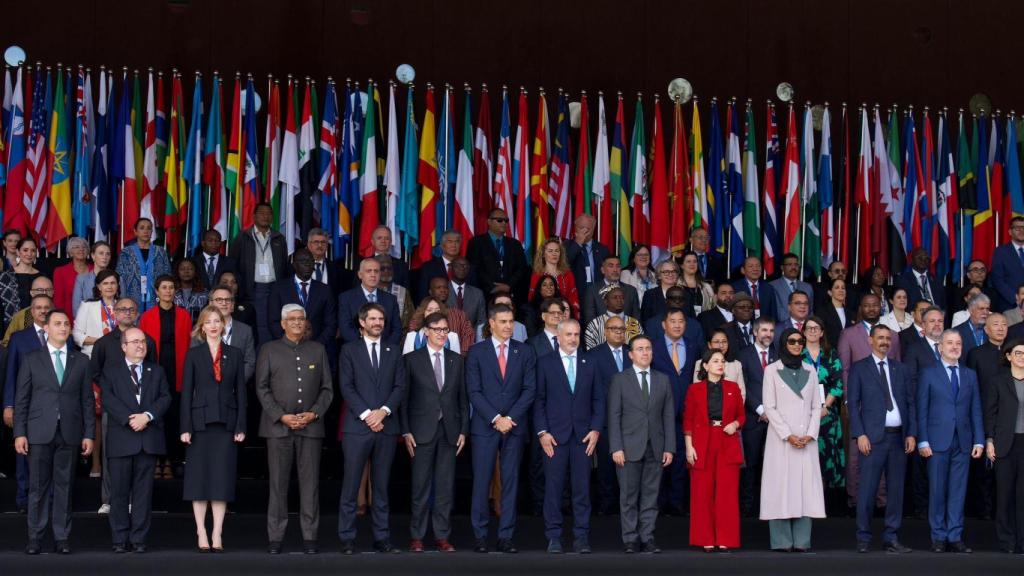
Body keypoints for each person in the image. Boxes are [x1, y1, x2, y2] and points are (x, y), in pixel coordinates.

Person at [14, 309, 94, 555]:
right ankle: (35, 538)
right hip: (38, 431)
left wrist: (89, 433)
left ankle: (61, 537)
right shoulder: (31, 359)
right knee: (37, 487)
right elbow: (22, 400)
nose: (63, 327)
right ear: (46, 328)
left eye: (66, 324)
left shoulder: (80, 361)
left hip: (69, 432)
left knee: (64, 486)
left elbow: (87, 401)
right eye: (57, 323)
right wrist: (20, 432)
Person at [256, 303, 334, 555]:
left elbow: (327, 388)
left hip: (311, 428)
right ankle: (275, 537)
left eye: (301, 319)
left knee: (310, 485)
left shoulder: (318, 349)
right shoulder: (269, 350)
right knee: (278, 485)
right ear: (282, 323)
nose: (298, 323)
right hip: (278, 428)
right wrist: (282, 416)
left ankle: (310, 537)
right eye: (292, 319)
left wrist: (313, 413)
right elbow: (262, 388)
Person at [466, 304, 536, 554]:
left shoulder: (524, 351)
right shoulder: (476, 352)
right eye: (503, 321)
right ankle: (480, 536)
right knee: (482, 481)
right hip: (486, 426)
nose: (508, 326)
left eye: (511, 321)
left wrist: (510, 418)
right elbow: (474, 391)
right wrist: (496, 418)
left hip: (514, 427)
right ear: (491, 324)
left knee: (510, 481)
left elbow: (529, 390)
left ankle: (506, 535)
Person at [337, 303, 406, 554]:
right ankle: (346, 537)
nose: (378, 323)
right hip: (358, 427)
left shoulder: (394, 350)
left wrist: (383, 412)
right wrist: (368, 415)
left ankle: (382, 537)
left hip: (386, 427)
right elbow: (346, 386)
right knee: (351, 484)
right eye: (373, 318)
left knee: (381, 486)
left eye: (381, 319)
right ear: (362, 322)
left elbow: (399, 387)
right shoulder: (349, 350)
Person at [180, 305, 248, 553]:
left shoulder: (235, 353)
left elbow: (241, 392)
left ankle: (217, 532)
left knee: (221, 481)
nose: (213, 325)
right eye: (208, 321)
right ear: (202, 326)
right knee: (199, 481)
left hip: (226, 424)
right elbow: (187, 392)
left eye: (217, 321)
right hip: (199, 425)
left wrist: (241, 424)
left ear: (223, 324)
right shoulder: (194, 354)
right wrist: (185, 426)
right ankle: (201, 530)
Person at [534, 319, 604, 554]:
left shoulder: (590, 362)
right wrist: (542, 432)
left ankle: (581, 536)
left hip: (583, 437)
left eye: (576, 334)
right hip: (554, 437)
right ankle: (553, 536)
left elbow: (598, 399)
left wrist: (595, 429)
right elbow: (539, 401)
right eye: (568, 335)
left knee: (582, 488)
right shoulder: (545, 363)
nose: (573, 339)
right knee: (553, 488)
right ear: (559, 337)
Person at [101, 327, 171, 553]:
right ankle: (119, 540)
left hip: (147, 439)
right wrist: (129, 419)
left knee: (143, 494)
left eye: (143, 341)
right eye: (134, 342)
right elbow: (108, 399)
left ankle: (139, 539)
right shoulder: (110, 371)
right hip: (122, 439)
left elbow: (165, 397)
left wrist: (147, 416)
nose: (140, 345)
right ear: (123, 346)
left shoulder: (156, 371)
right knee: (119, 494)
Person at [401, 312, 467, 553]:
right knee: (420, 486)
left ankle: (442, 536)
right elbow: (404, 400)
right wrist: (406, 430)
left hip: (449, 431)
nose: (442, 333)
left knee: (445, 486)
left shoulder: (456, 359)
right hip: (420, 432)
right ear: (426, 331)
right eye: (437, 329)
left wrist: (463, 431)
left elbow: (462, 398)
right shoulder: (411, 359)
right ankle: (417, 536)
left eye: (445, 329)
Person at [847, 324, 916, 554]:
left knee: (896, 491)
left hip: (898, 439)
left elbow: (909, 403)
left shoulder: (901, 368)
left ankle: (891, 538)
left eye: (888, 338)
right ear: (870, 340)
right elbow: (853, 406)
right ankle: (863, 538)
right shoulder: (859, 368)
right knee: (867, 491)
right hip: (873, 439)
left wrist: (911, 434)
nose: (885, 342)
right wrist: (860, 434)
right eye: (880, 338)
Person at [917, 329, 985, 553]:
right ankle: (938, 536)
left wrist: (979, 441)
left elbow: (976, 409)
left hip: (963, 441)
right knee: (937, 490)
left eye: (958, 343)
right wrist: (923, 441)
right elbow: (922, 410)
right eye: (950, 343)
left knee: (958, 491)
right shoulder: (928, 373)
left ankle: (955, 535)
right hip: (937, 441)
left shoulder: (969, 374)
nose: (954, 347)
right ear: (940, 347)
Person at [607, 334, 675, 554]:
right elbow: (613, 416)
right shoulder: (620, 379)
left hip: (655, 446)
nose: (645, 352)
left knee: (650, 496)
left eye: (648, 348)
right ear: (631, 354)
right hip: (627, 447)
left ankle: (647, 537)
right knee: (628, 496)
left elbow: (668, 416)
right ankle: (630, 539)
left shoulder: (662, 379)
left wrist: (669, 447)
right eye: (640, 349)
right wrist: (616, 447)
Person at [760, 327, 825, 552]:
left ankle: (802, 541)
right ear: (783, 344)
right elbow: (769, 406)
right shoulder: (771, 370)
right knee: (780, 487)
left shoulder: (810, 370)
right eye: (792, 341)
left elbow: (817, 405)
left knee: (804, 488)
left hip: (806, 439)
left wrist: (810, 433)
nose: (797, 345)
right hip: (781, 439)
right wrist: (788, 435)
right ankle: (781, 542)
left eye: (800, 341)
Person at [90, 298, 157, 515]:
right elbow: (95, 373)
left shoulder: (148, 341)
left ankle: (134, 501)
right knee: (112, 456)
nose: (127, 313)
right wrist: (113, 394)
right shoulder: (103, 343)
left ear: (138, 313)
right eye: (122, 309)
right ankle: (108, 500)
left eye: (131, 309)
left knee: (140, 457)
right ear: (114, 312)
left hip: (142, 409)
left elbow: (153, 371)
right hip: (115, 410)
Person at [685, 349, 745, 552]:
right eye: (715, 361)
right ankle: (705, 538)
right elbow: (688, 421)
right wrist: (688, 447)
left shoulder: (733, 387)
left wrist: (735, 424)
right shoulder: (695, 389)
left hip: (727, 440)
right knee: (702, 492)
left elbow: (742, 416)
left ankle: (725, 538)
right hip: (703, 441)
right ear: (705, 366)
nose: (720, 364)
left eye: (723, 361)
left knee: (727, 492)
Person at [4, 294, 54, 514]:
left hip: (53, 405)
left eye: (46, 308)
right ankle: (24, 498)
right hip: (27, 405)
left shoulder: (62, 335)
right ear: (31, 312)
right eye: (39, 308)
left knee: (52, 453)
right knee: (24, 452)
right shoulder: (19, 338)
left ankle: (51, 497)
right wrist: (8, 405)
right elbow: (11, 375)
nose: (43, 311)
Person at [139, 275, 193, 479]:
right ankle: (156, 460)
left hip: (177, 371)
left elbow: (188, 347)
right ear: (157, 291)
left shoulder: (184, 315)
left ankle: (171, 459)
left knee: (174, 416)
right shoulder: (147, 316)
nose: (168, 291)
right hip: (155, 371)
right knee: (155, 417)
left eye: (171, 287)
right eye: (164, 287)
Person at [651, 308, 698, 516]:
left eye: (681, 321)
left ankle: (677, 504)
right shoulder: (653, 347)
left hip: (685, 414)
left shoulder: (693, 345)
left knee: (680, 460)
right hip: (659, 413)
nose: (677, 325)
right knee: (659, 459)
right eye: (673, 321)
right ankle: (658, 504)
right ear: (664, 324)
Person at [586, 315, 631, 515]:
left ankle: (626, 508)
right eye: (614, 329)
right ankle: (605, 507)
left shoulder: (633, 353)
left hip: (631, 421)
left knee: (628, 467)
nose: (618, 332)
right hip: (604, 419)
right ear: (605, 332)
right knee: (605, 467)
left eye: (622, 329)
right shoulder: (594, 355)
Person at [801, 316, 846, 512]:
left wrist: (824, 406)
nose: (812, 331)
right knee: (806, 459)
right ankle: (807, 504)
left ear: (821, 332)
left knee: (827, 457)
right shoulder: (797, 354)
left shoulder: (830, 354)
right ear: (803, 332)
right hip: (802, 415)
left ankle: (828, 505)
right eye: (809, 328)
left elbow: (838, 384)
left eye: (816, 328)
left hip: (827, 414)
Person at [985, 338, 1024, 553]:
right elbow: (990, 413)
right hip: (1005, 444)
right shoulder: (998, 381)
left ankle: (1022, 542)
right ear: (1009, 357)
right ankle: (1006, 541)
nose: (1022, 357)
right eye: (1018, 353)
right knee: (1005, 495)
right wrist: (989, 440)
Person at [230, 202, 289, 345]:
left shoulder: (279, 238)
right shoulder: (242, 237)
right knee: (256, 324)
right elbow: (234, 264)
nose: (265, 216)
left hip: (275, 288)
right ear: (254, 216)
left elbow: (285, 265)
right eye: (262, 213)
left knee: (273, 322)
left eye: (269, 213)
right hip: (252, 289)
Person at [267, 248, 338, 353]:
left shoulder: (325, 290)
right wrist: (289, 343)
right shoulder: (279, 288)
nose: (308, 265)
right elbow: (273, 322)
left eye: (310, 261)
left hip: (317, 349)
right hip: (286, 351)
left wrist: (315, 345)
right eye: (303, 261)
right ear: (294, 265)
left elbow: (331, 324)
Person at [467, 209, 530, 301]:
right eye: (499, 220)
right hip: (484, 296)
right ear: (489, 221)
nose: (504, 223)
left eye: (506, 220)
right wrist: (492, 287)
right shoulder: (476, 242)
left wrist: (509, 285)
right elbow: (475, 268)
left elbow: (522, 268)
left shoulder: (515, 244)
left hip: (511, 295)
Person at [337, 257, 401, 346]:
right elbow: (346, 329)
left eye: (376, 271)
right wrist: (365, 348)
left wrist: (384, 348)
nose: (373, 274)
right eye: (369, 271)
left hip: (385, 352)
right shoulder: (346, 298)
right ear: (360, 274)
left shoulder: (391, 299)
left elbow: (396, 330)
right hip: (357, 352)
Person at [116, 218, 172, 313]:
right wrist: (122, 300)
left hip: (156, 299)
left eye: (149, 228)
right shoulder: (126, 252)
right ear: (135, 231)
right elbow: (120, 277)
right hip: (132, 300)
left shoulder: (161, 252)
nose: (146, 231)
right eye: (142, 228)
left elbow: (167, 275)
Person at [410, 277, 475, 354]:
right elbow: (412, 337)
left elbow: (468, 336)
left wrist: (458, 358)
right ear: (430, 292)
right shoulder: (420, 314)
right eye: (438, 287)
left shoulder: (459, 314)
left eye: (445, 287)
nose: (443, 290)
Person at [581, 254, 640, 328]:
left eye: (618, 266)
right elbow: (590, 320)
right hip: (600, 336)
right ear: (602, 270)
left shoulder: (631, 291)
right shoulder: (592, 291)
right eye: (611, 266)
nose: (615, 270)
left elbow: (636, 320)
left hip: (626, 336)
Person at [72, 270, 120, 358]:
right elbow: (77, 335)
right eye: (105, 283)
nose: (109, 286)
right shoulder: (87, 305)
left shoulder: (123, 306)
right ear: (99, 287)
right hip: (93, 355)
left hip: (118, 355)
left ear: (117, 285)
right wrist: (101, 342)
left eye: (113, 283)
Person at [529, 238, 580, 319]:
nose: (554, 254)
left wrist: (574, 316)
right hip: (543, 317)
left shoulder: (567, 274)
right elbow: (532, 298)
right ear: (543, 254)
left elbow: (573, 297)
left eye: (557, 251)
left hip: (565, 317)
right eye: (550, 251)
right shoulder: (537, 274)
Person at [564, 213, 611, 298]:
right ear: (575, 228)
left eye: (588, 229)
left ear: (593, 229)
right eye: (581, 228)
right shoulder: (566, 246)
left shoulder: (603, 249)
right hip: (575, 296)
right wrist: (577, 244)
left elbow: (608, 274)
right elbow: (564, 264)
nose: (584, 231)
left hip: (599, 296)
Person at [584, 285, 642, 350]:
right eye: (615, 298)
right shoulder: (594, 325)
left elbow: (641, 347)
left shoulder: (634, 323)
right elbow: (591, 352)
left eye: (622, 297)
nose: (619, 300)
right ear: (606, 302)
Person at [693, 329, 746, 398]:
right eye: (716, 342)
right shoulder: (700, 363)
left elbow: (742, 394)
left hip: (731, 407)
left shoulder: (736, 364)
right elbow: (697, 393)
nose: (721, 345)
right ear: (709, 345)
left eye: (724, 341)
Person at [417, 229, 463, 301]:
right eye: (450, 241)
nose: (454, 245)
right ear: (442, 245)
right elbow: (423, 295)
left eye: (457, 242)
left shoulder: (468, 268)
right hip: (436, 310)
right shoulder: (428, 267)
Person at [990, 215, 1024, 312]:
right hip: (1010, 305)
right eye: (1017, 228)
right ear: (1010, 232)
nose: (1021, 231)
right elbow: (997, 279)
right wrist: (1016, 299)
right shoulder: (1000, 252)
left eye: (1023, 228)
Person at [52, 236, 92, 318]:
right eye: (76, 247)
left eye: (84, 247)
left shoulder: (95, 269)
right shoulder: (60, 272)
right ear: (70, 252)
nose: (81, 249)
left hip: (93, 316)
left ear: (88, 251)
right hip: (69, 317)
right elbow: (58, 300)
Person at [770, 253, 816, 321]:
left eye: (796, 265)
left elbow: (810, 311)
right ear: (782, 267)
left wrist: (805, 325)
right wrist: (795, 323)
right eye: (789, 264)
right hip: (783, 327)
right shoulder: (772, 286)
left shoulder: (808, 287)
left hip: (804, 328)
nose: (793, 267)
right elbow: (777, 311)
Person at [731, 256, 779, 322]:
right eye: (751, 266)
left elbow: (773, 313)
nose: (755, 269)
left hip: (764, 327)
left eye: (758, 266)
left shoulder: (768, 288)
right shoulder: (735, 287)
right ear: (743, 270)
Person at [72, 241, 112, 317]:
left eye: (108, 254)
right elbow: (76, 309)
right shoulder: (81, 279)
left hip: (111, 325)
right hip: (87, 325)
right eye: (101, 253)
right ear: (93, 256)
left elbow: (121, 305)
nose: (105, 257)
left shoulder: (118, 279)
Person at [365, 225, 409, 289]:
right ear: (372, 241)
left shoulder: (401, 266)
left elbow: (406, 292)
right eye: (379, 238)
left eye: (386, 238)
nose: (383, 241)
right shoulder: (363, 264)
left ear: (391, 242)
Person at [640, 259, 683, 324]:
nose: (670, 274)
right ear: (659, 275)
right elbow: (645, 321)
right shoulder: (649, 295)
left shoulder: (686, 295)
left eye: (674, 271)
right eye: (666, 272)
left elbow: (691, 321)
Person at [448, 256, 486, 329]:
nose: (462, 268)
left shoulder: (478, 294)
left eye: (465, 266)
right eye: (458, 265)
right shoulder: (442, 291)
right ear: (451, 268)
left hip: (471, 338)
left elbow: (481, 321)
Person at [378, 254, 414, 328]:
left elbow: (411, 319)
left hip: (400, 337)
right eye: (382, 268)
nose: (386, 271)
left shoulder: (403, 292)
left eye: (389, 268)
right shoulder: (369, 291)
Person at [678, 250, 715, 318]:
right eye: (688, 261)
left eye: (695, 261)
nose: (692, 264)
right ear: (682, 266)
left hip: (702, 324)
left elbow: (712, 307)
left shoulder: (706, 287)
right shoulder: (675, 285)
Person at [820, 278, 855, 349]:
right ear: (830, 292)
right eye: (837, 287)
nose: (841, 290)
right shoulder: (822, 312)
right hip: (829, 353)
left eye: (843, 288)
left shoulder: (851, 313)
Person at [173, 258, 209, 324]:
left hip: (197, 332)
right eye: (182, 269)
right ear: (177, 272)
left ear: (195, 271)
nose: (186, 271)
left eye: (190, 269)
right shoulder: (172, 292)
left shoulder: (204, 293)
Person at [955, 292, 991, 357]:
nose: (985, 312)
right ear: (971, 310)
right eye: (981, 308)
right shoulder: (957, 332)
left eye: (987, 309)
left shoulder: (991, 330)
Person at [12, 237, 44, 308]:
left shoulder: (42, 277)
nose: (29, 254)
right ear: (17, 252)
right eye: (25, 250)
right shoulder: (7, 275)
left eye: (33, 250)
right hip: (11, 318)